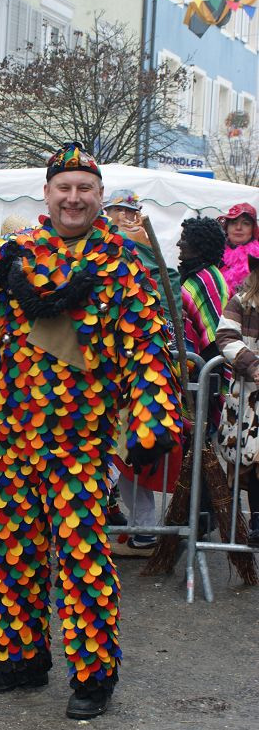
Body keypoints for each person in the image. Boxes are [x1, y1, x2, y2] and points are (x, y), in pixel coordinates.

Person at [0, 142, 182, 719]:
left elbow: (148, 351)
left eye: (84, 188)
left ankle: (93, 678)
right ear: (46, 193)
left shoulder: (123, 264)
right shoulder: (10, 254)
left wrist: (153, 417)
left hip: (82, 444)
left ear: (99, 196)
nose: (73, 197)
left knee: (84, 558)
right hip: (12, 441)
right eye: (63, 187)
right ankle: (19, 661)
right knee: (12, 554)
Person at [103, 189, 184, 558]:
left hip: (139, 383)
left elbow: (167, 323)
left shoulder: (154, 265)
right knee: (120, 458)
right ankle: (139, 530)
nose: (122, 219)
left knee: (133, 457)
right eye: (116, 213)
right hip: (110, 380)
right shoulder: (105, 254)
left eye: (127, 213)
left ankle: (145, 532)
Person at [216, 254, 259, 544]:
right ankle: (257, 522)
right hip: (249, 399)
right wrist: (254, 365)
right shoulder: (242, 301)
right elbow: (226, 336)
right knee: (254, 458)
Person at [179, 217, 228, 364]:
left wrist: (203, 377)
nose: (178, 244)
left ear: (198, 244)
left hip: (208, 369)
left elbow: (214, 338)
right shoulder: (195, 275)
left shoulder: (207, 279)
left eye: (183, 239)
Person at [218, 203, 259, 297]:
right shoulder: (213, 253)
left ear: (253, 229)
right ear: (226, 227)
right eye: (234, 222)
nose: (238, 227)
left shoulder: (257, 258)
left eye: (246, 223)